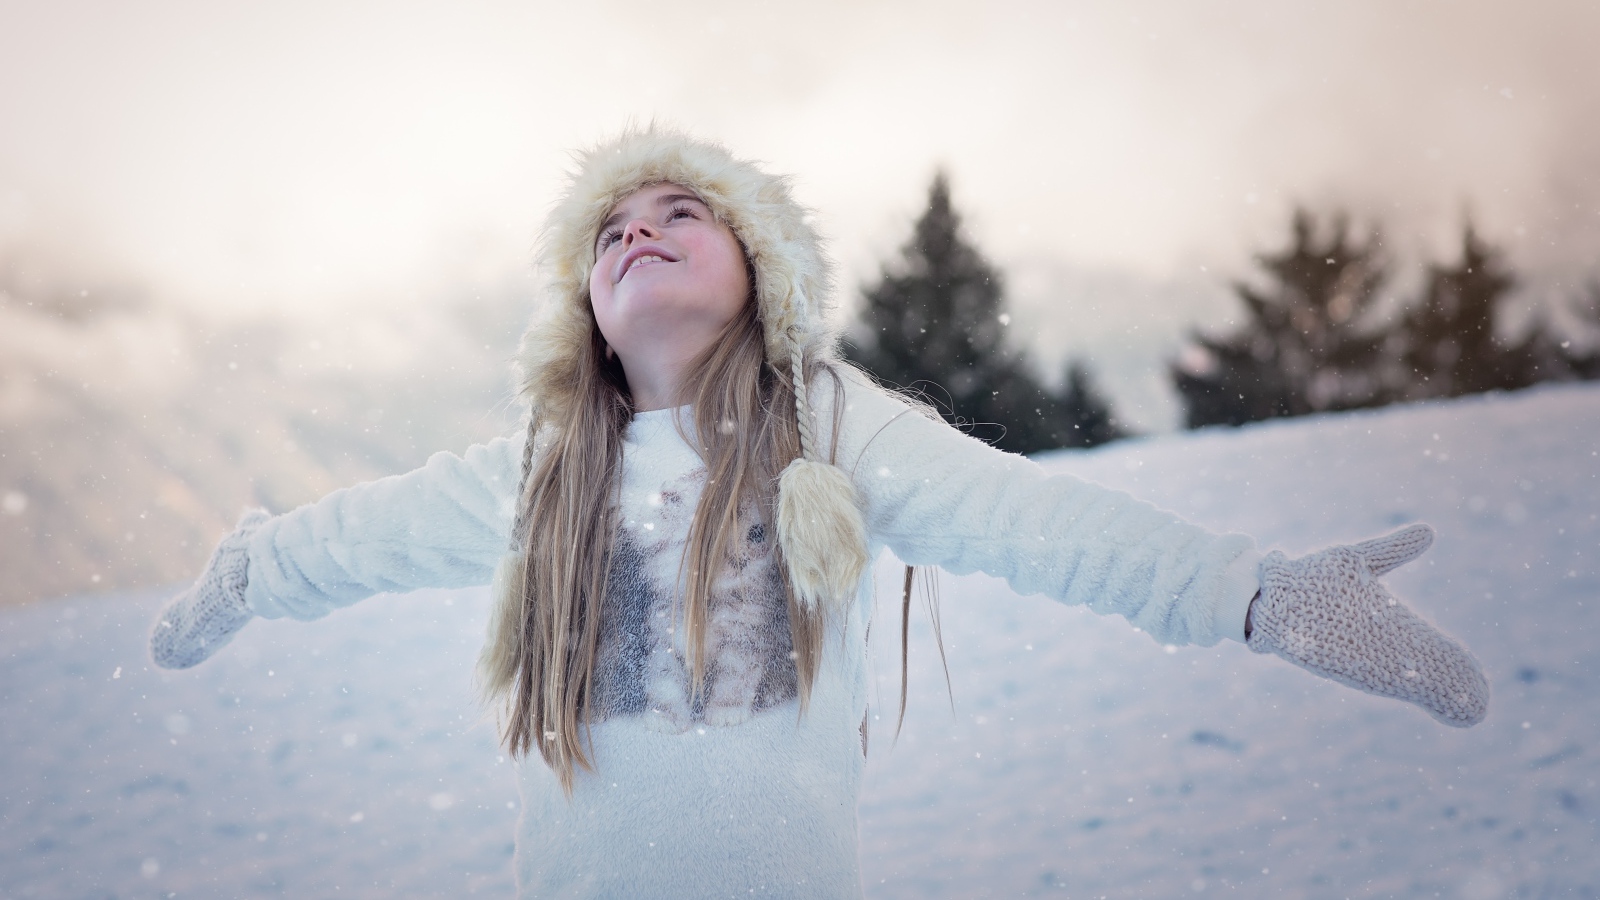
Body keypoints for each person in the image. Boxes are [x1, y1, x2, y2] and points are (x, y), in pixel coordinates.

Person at [149, 127, 1489, 898]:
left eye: (680, 212)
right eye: (610, 232)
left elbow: (1032, 521)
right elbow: (366, 535)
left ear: (761, 272)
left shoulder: (830, 425)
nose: (637, 232)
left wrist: (1256, 592)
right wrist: (253, 568)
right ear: (586, 314)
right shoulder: (545, 471)